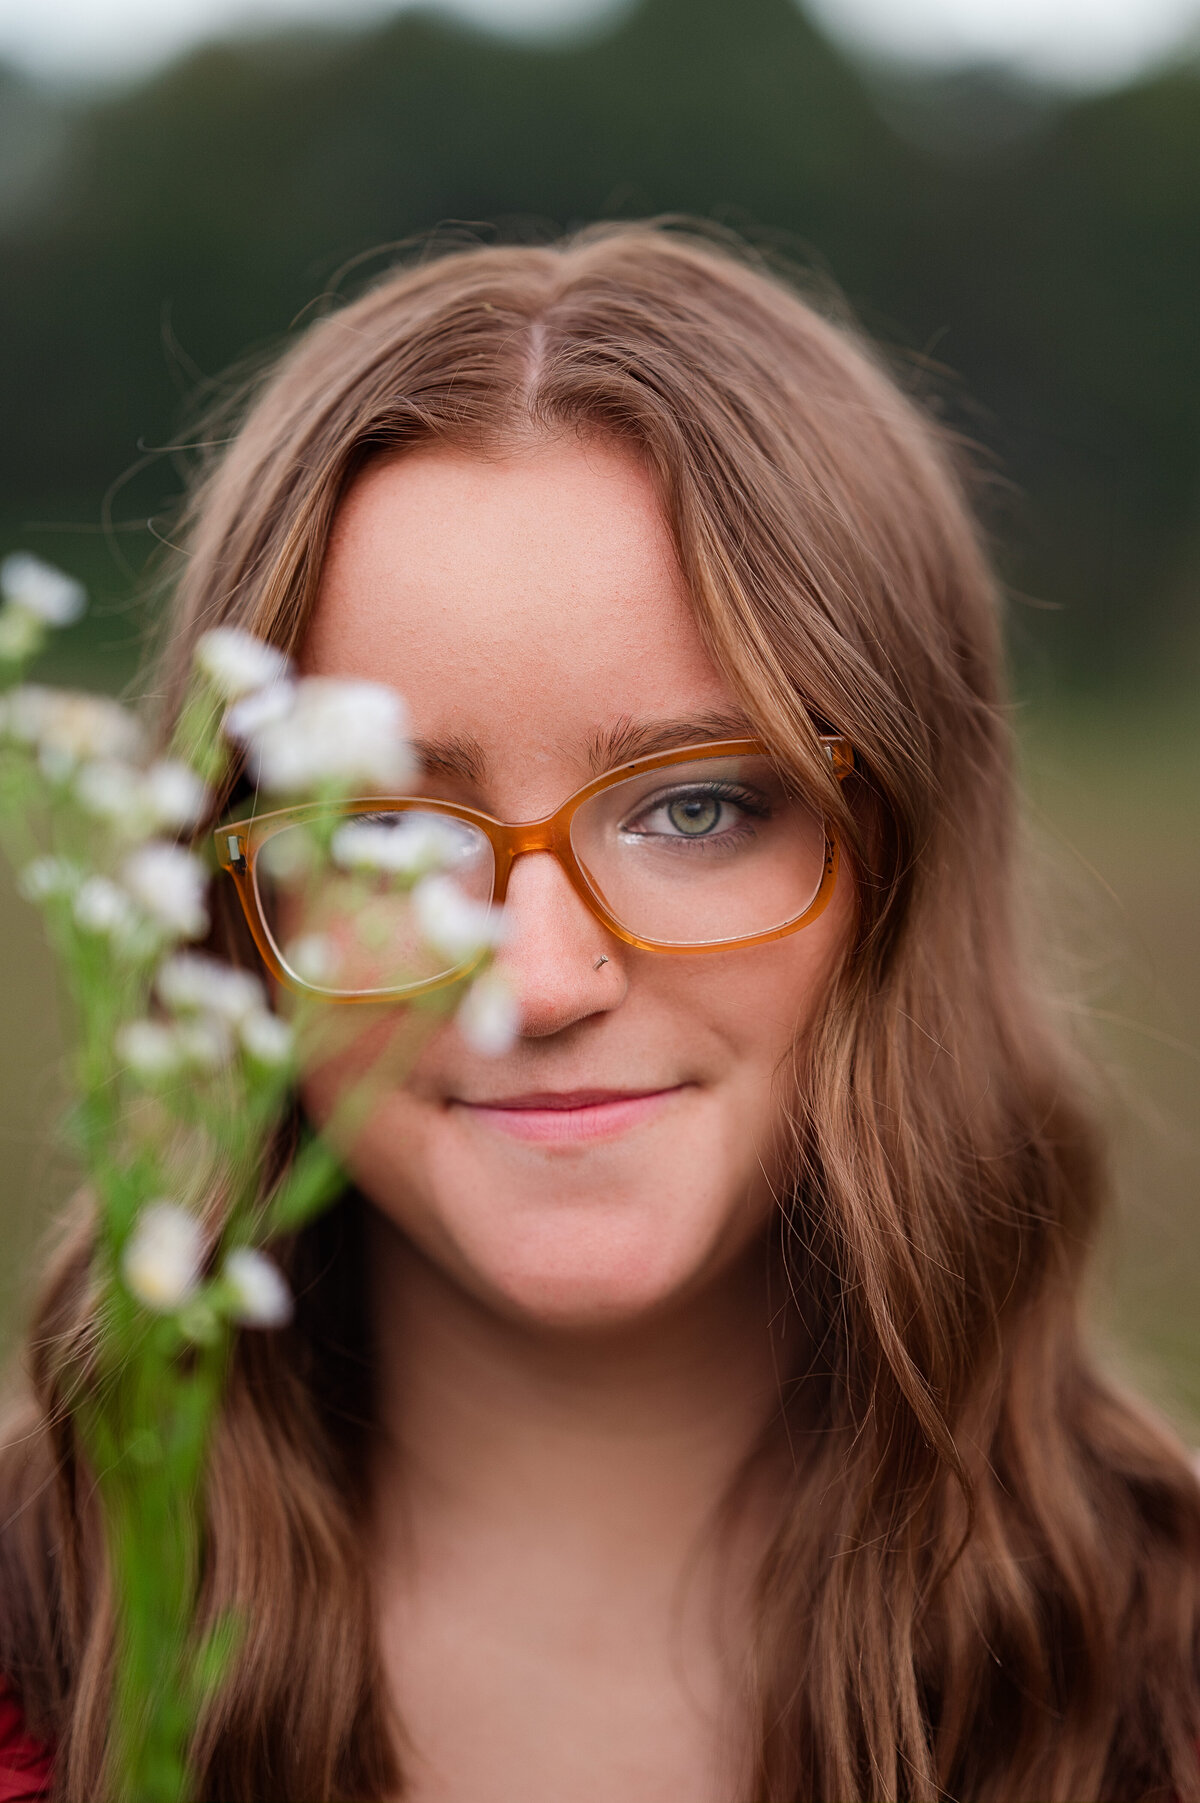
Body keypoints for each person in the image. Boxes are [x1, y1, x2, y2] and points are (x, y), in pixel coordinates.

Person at [1, 224, 1198, 1803]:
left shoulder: (1165, 1688)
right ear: (231, 908)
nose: (539, 978)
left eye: (698, 808)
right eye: (384, 835)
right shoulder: (36, 1662)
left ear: (912, 860)